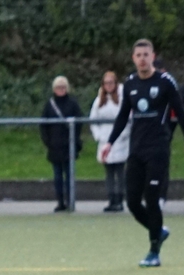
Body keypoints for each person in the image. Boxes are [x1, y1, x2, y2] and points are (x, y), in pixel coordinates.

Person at [102, 39, 184, 267]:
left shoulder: (165, 82)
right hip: (136, 150)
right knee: (133, 202)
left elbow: (181, 113)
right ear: (133, 58)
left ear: (153, 57)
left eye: (146, 55)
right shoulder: (130, 83)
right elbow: (123, 116)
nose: (142, 59)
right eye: (138, 55)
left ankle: (154, 251)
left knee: (152, 199)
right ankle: (158, 230)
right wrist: (109, 142)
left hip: (158, 149)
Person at [40, 76, 82, 212]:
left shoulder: (73, 103)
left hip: (69, 145)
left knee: (70, 176)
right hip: (55, 146)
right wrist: (48, 141)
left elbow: (79, 122)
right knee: (57, 176)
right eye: (58, 87)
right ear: (54, 89)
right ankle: (60, 202)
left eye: (63, 87)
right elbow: (43, 125)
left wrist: (75, 139)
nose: (61, 90)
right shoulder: (49, 105)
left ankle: (70, 201)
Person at [89, 72, 129, 213]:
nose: (109, 86)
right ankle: (111, 199)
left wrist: (122, 135)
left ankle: (120, 200)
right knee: (109, 172)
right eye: (106, 83)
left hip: (120, 139)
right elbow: (93, 120)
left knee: (120, 171)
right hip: (104, 139)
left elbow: (127, 118)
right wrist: (99, 136)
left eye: (111, 83)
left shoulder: (123, 99)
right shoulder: (99, 100)